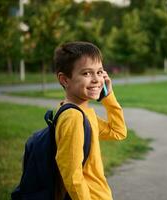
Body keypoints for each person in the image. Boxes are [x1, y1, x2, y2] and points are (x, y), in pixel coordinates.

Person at [53, 41, 127, 200]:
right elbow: (72, 176)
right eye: (86, 73)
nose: (96, 79)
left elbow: (118, 132)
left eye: (99, 72)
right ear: (65, 80)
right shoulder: (73, 117)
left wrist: (108, 96)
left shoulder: (84, 113)